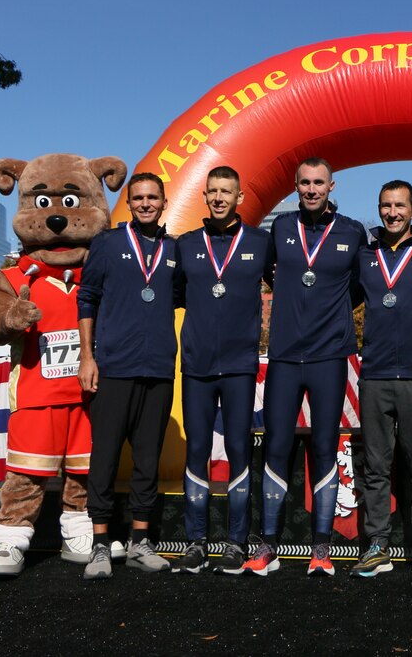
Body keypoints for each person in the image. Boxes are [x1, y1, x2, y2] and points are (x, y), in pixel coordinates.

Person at [244, 157, 365, 577]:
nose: (312, 189)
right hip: (284, 355)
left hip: (330, 356)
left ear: (332, 186)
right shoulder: (279, 228)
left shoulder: (352, 231)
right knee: (277, 447)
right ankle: (269, 545)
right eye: (305, 184)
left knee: (325, 446)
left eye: (319, 183)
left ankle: (321, 548)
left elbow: (358, 286)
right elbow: (269, 274)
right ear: (296, 187)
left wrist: (326, 316)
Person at [170, 166, 275, 575]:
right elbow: (175, 295)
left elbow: (287, 285)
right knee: (196, 450)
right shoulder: (187, 244)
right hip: (196, 364)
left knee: (238, 450)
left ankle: (236, 541)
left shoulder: (261, 242)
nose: (218, 197)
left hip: (239, 366)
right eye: (212, 191)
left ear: (240, 197)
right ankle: (195, 541)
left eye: (226, 191)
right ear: (204, 195)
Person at [77, 172, 179, 579]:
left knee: (148, 460)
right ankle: (101, 545)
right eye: (138, 198)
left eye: (153, 197)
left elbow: (185, 295)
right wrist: (88, 356)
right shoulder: (108, 243)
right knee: (103, 459)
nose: (146, 204)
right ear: (130, 203)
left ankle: (140, 541)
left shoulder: (175, 250)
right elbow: (87, 297)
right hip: (114, 367)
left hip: (157, 369)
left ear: (164, 201)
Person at [350, 180, 412, 579]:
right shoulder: (365, 255)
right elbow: (347, 297)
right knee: (375, 466)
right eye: (385, 206)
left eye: (400, 206)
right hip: (374, 373)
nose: (392, 213)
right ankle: (378, 544)